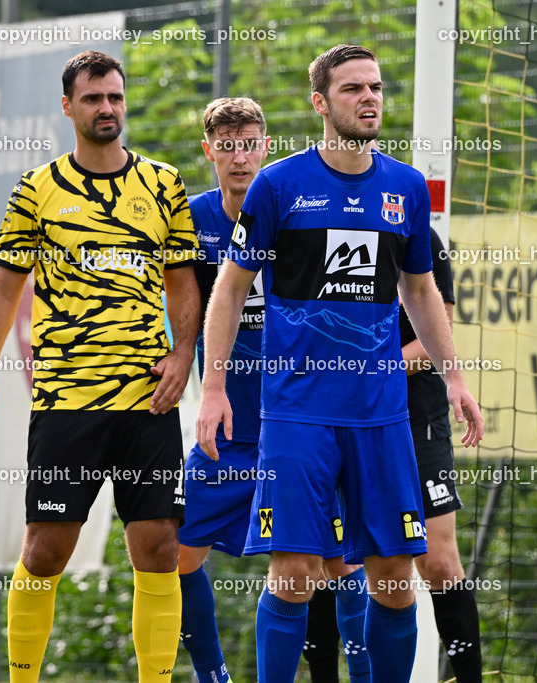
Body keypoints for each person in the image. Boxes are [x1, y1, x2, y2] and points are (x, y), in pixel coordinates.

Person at [195, 44, 484, 683]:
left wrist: (454, 376)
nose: (370, 98)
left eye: (376, 87)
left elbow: (421, 290)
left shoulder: (405, 188)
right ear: (322, 103)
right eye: (353, 89)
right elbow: (231, 287)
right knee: (294, 575)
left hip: (380, 419)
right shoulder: (279, 186)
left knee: (394, 581)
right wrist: (214, 387)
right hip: (297, 415)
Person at [0, 50, 200, 683]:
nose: (107, 109)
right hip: (67, 399)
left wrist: (182, 355)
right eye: (93, 99)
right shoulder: (37, 189)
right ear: (67, 106)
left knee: (160, 549)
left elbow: (183, 283)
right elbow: (4, 289)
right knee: (45, 551)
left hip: (147, 400)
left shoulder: (164, 183)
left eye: (116, 97)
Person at [179, 97, 372, 683]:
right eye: (227, 145)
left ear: (267, 145)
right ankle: (213, 674)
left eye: (250, 144)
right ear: (209, 150)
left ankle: (363, 675)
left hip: (302, 426)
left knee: (336, 565)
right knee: (171, 548)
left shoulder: (303, 207)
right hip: (231, 429)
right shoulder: (189, 220)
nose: (240, 158)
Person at [303, 230, 483, 683]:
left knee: (438, 560)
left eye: (367, 150)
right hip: (332, 416)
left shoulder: (414, 228)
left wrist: (368, 369)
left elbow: (434, 340)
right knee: (326, 563)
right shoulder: (310, 220)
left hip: (413, 416)